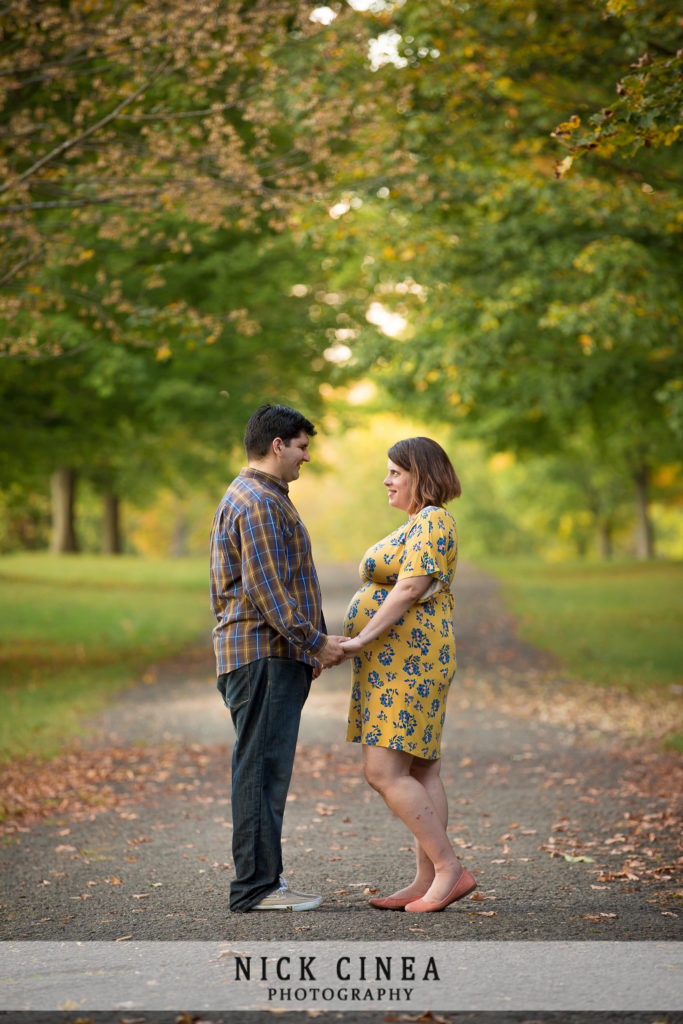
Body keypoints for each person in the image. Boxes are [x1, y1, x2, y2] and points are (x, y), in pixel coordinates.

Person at [210, 403, 346, 912]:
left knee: (261, 769)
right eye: (302, 446)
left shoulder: (256, 496)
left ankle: (264, 883)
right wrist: (316, 642)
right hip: (264, 656)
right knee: (261, 771)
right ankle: (257, 888)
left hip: (264, 657)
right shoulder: (259, 503)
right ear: (277, 446)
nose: (305, 457)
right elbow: (268, 592)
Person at [340, 436, 476, 912]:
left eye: (396, 471)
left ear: (422, 475)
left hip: (411, 662)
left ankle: (448, 868)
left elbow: (410, 588)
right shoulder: (420, 523)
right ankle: (426, 878)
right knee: (421, 767)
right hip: (401, 662)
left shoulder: (435, 520)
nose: (387, 480)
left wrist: (358, 639)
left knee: (383, 770)